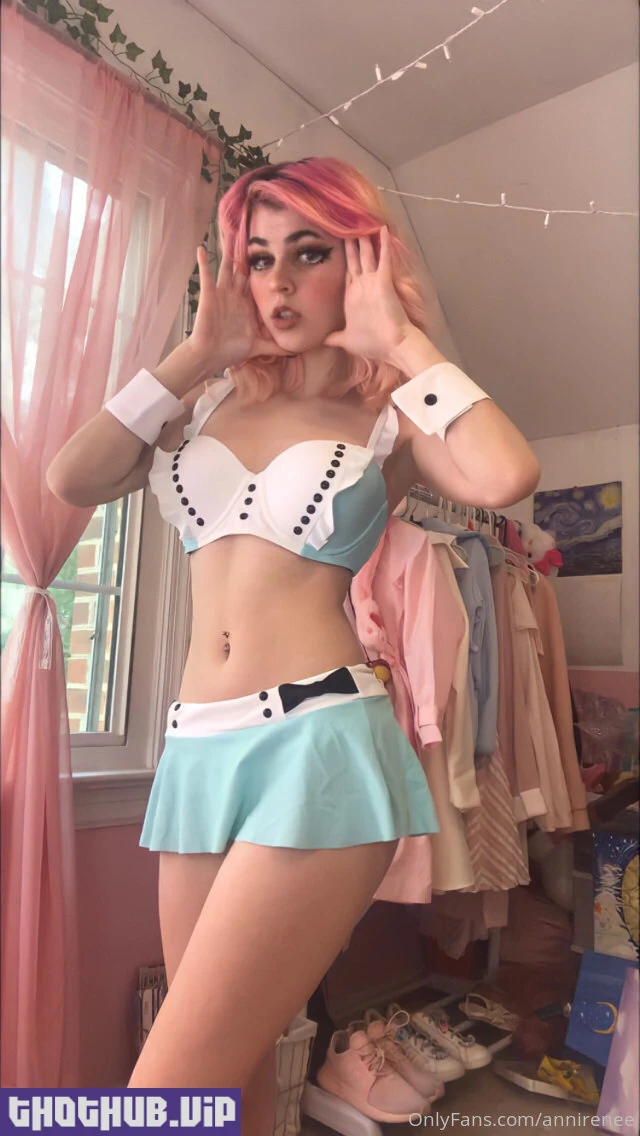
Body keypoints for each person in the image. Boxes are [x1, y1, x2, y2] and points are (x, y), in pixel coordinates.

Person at [46, 156, 540, 1128]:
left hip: (316, 745)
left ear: (361, 261)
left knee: (161, 1099)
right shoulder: (206, 404)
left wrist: (402, 341)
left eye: (307, 252)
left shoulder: (389, 415)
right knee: (227, 1086)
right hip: (195, 751)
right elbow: (71, 477)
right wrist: (195, 353)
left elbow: (503, 477)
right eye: (258, 256)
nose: (276, 280)